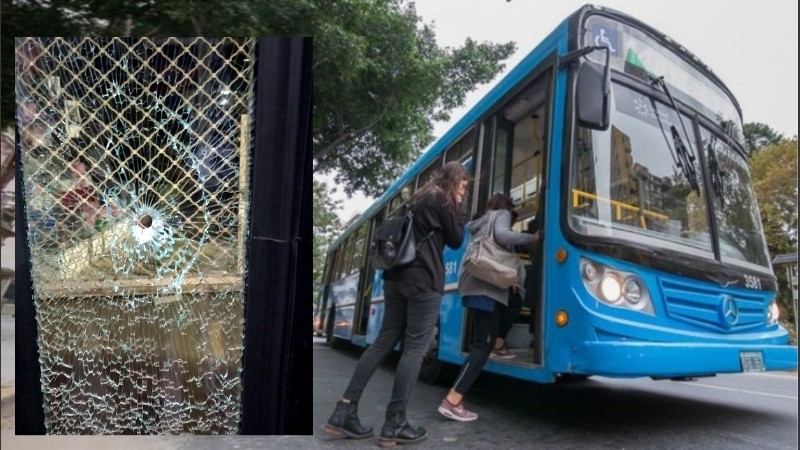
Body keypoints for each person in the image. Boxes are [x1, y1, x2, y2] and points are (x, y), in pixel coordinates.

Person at [324, 161, 469, 447]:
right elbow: (456, 239)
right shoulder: (442, 198)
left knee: (382, 343)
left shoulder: (417, 198)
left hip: (395, 278)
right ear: (454, 181)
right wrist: (458, 208)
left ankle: (344, 410)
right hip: (424, 280)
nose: (464, 193)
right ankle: (395, 423)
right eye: (463, 187)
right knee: (415, 348)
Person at [438, 193, 540, 422]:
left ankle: (497, 343)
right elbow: (504, 235)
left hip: (476, 287)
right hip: (486, 290)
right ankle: (452, 399)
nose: (511, 217)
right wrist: (532, 239)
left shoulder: (480, 222)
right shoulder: (500, 214)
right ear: (505, 207)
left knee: (513, 301)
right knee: (480, 348)